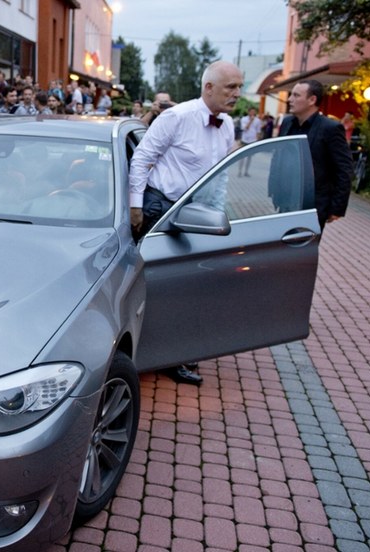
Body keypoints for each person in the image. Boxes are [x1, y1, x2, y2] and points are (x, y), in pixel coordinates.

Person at [129, 61, 244, 385]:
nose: (237, 93)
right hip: (158, 206)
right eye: (230, 87)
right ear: (208, 87)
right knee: (156, 285)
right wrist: (135, 207)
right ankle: (144, 353)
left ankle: (173, 354)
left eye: (239, 86)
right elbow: (141, 159)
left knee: (188, 286)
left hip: (193, 211)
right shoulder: (176, 117)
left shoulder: (228, 125)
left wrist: (217, 218)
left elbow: (219, 178)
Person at [279, 79, 352, 231]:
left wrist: (337, 207)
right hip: (286, 201)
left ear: (312, 100)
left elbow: (344, 169)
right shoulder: (287, 123)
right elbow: (280, 158)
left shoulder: (331, 128)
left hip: (314, 205)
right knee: (283, 251)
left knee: (304, 252)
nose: (289, 99)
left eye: (296, 95)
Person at [238, 107, 262, 177]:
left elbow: (258, 131)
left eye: (254, 112)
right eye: (251, 112)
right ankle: (240, 171)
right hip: (244, 139)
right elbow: (244, 128)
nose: (252, 113)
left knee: (249, 157)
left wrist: (257, 140)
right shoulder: (244, 119)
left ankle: (246, 171)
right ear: (248, 112)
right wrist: (250, 121)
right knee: (242, 156)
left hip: (252, 140)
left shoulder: (257, 120)